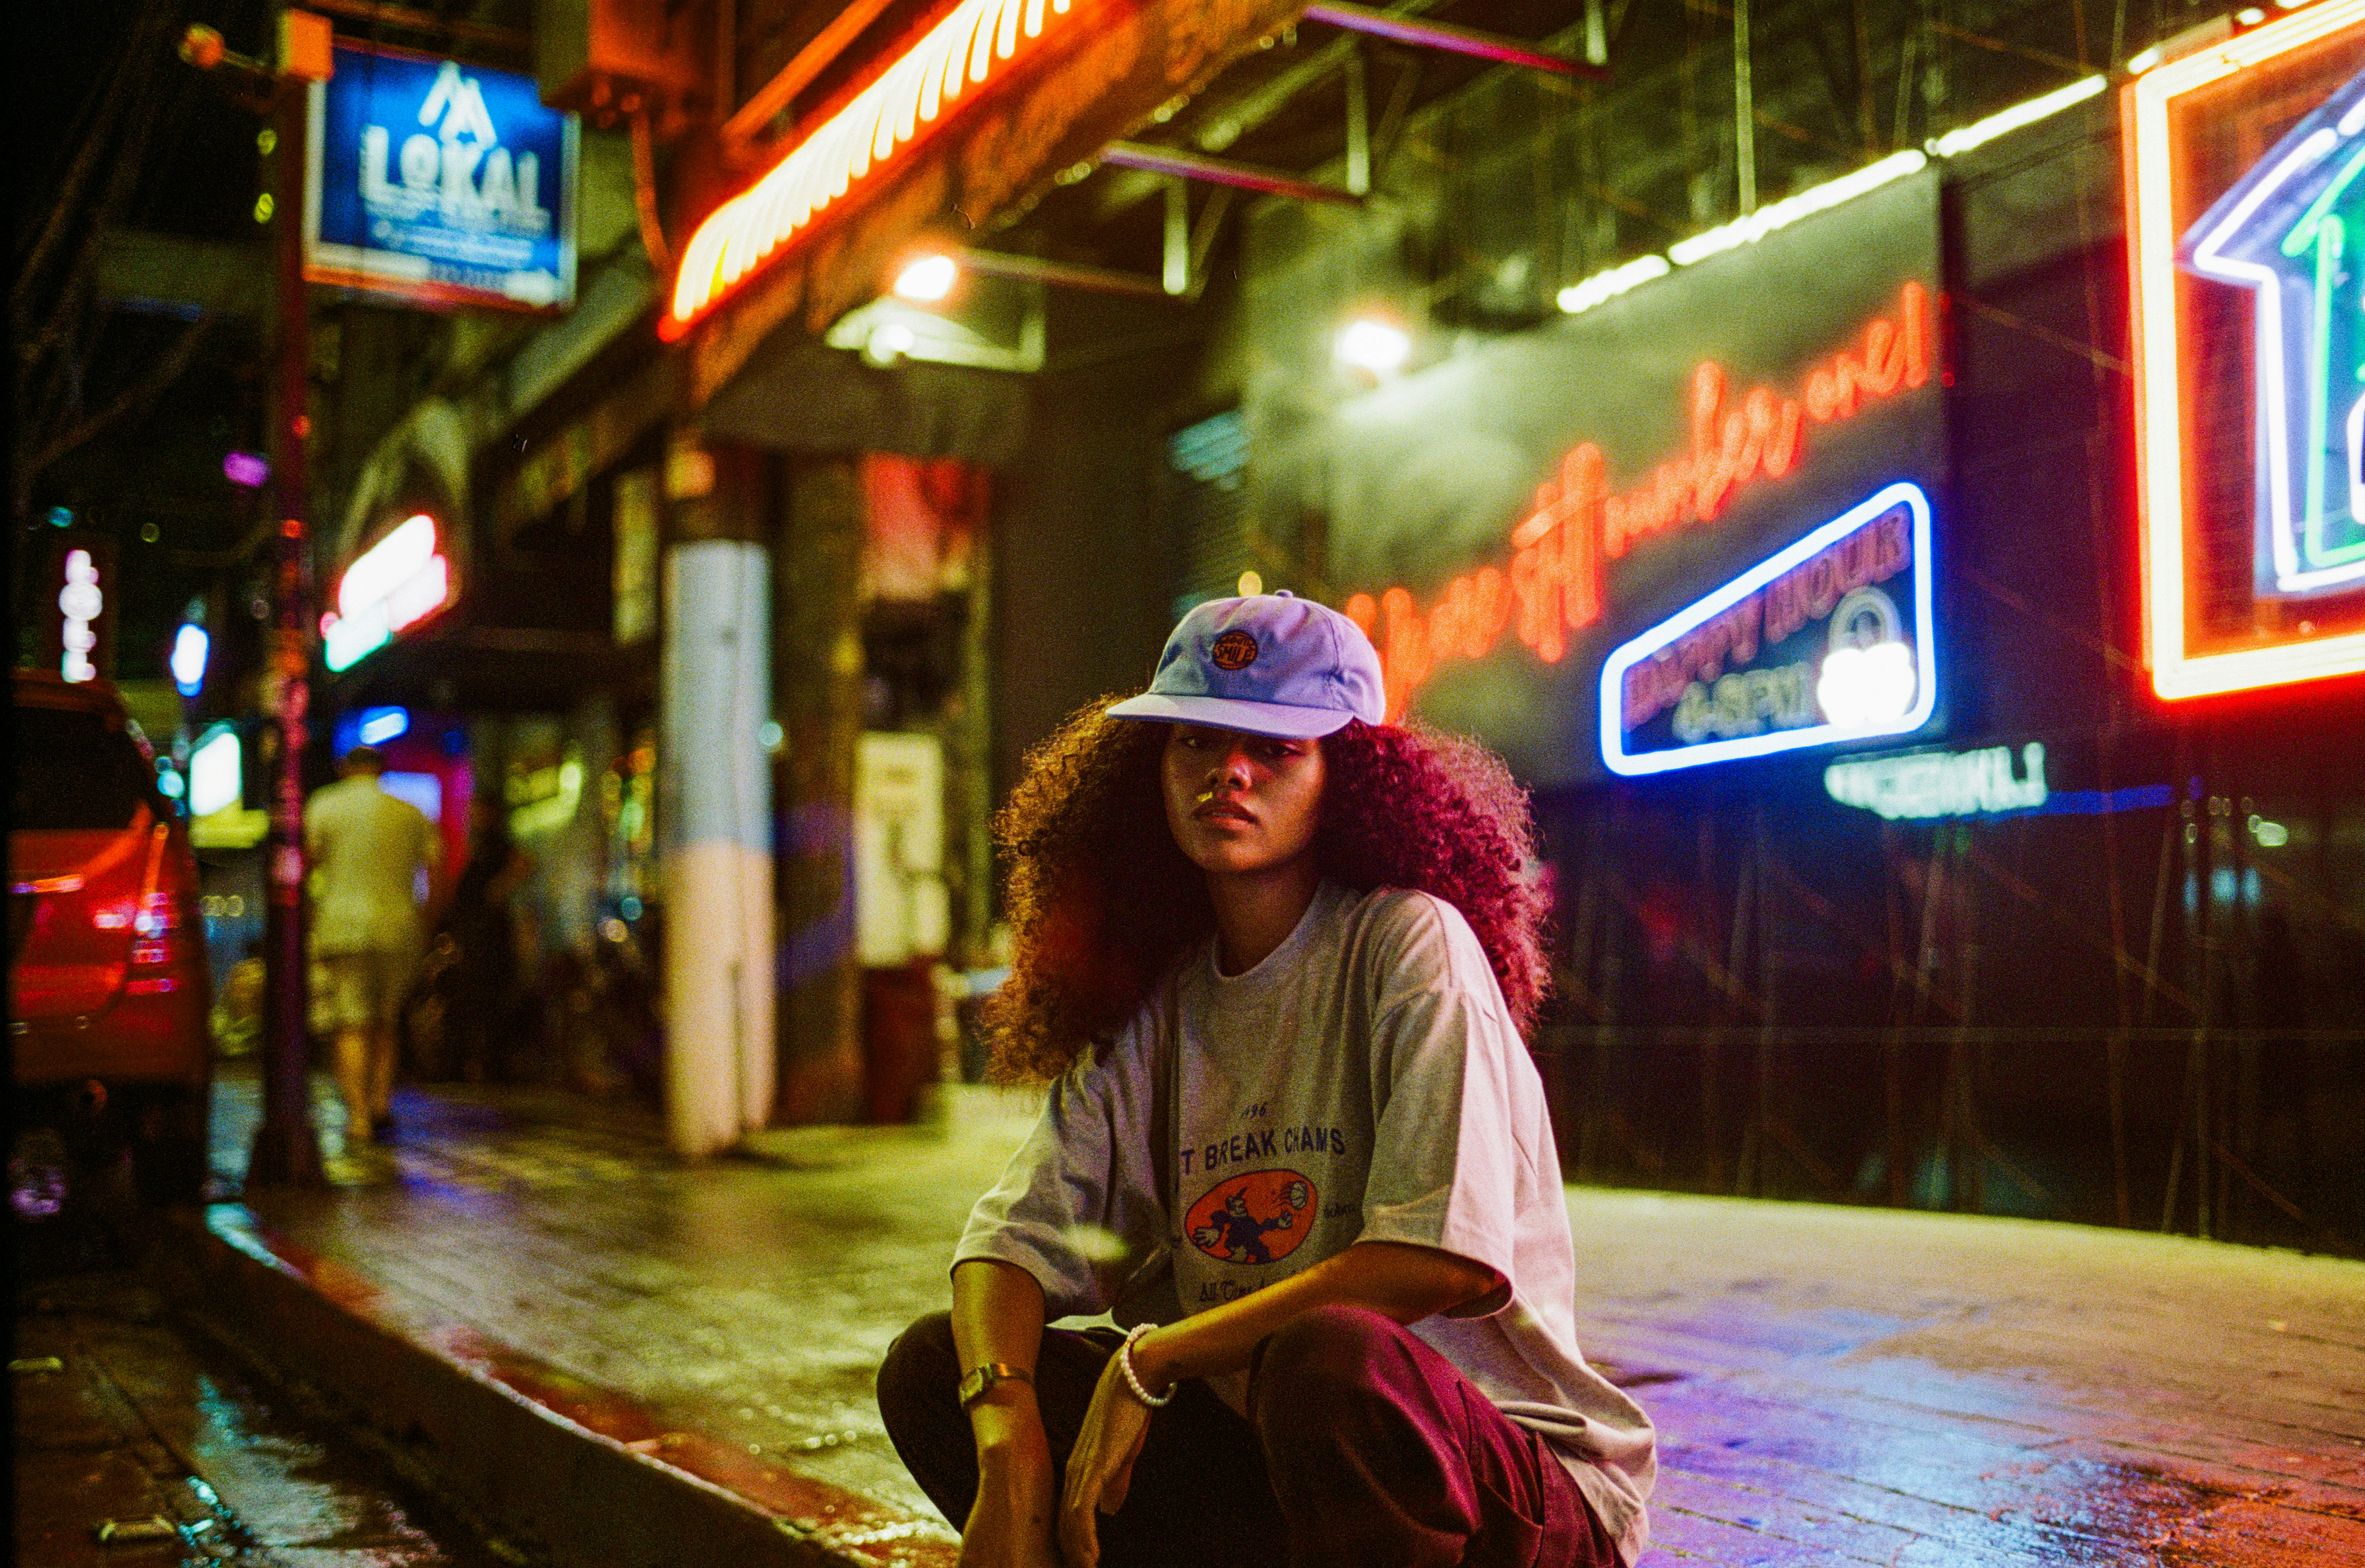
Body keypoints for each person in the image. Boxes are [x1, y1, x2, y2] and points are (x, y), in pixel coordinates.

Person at [876, 592, 1656, 1568]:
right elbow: (1008, 1249)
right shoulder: (1160, 997)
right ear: (1148, 773)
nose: (1227, 772)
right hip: (1285, 1474)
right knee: (934, 1365)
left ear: (1352, 774)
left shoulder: (1406, 942)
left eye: (1276, 746)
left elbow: (1434, 1263)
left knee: (1331, 1356)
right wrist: (1009, 1451)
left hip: (1504, 1492)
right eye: (1194, 740)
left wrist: (1151, 1357)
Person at [304, 744, 440, 1145]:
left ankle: (359, 1116)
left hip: (342, 927)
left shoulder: (325, 805)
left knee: (352, 1022)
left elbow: (306, 863)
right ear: (381, 771)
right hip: (399, 927)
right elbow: (433, 871)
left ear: (346, 769)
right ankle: (380, 1103)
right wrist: (427, 924)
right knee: (386, 1021)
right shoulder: (410, 812)